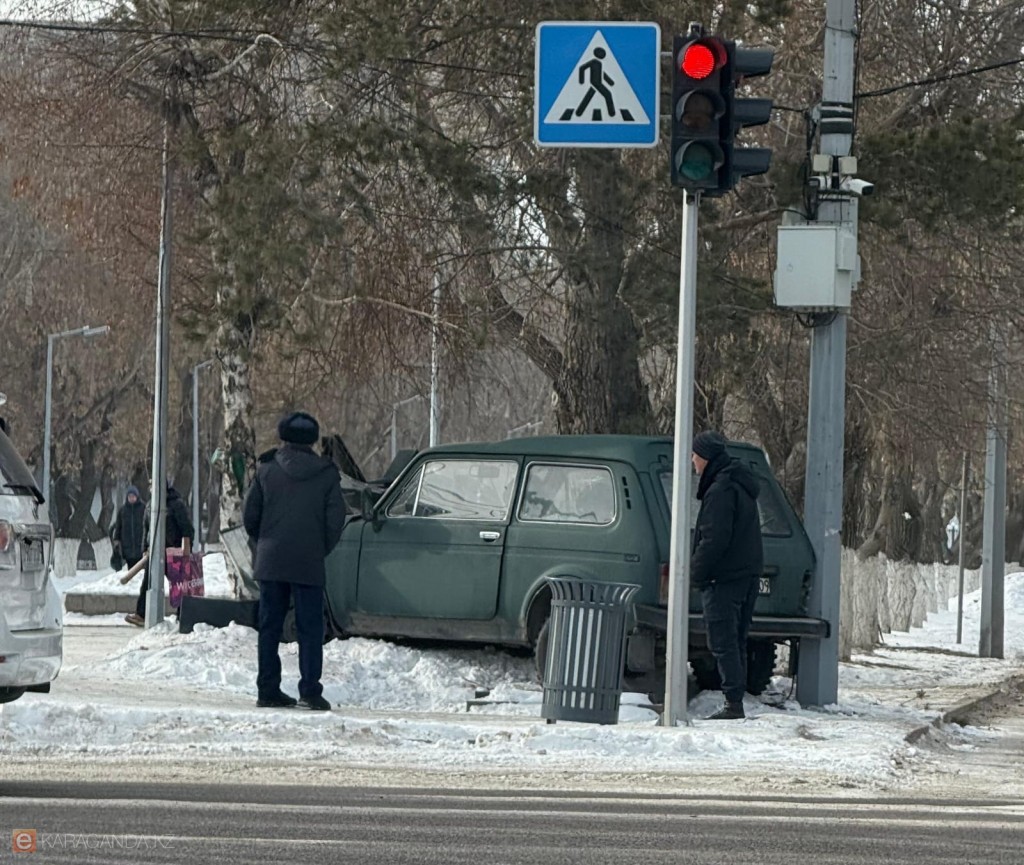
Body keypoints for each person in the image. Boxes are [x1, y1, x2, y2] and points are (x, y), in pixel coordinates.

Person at [243, 411, 346, 710]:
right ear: (313, 439)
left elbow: (250, 517)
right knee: (310, 629)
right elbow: (335, 521)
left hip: (271, 561)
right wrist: (318, 548)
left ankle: (268, 689)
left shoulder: (266, 470)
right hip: (308, 561)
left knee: (270, 626)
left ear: (283, 436)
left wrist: (265, 543)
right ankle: (310, 691)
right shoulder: (326, 474)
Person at [690, 430, 764, 720]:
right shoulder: (739, 485)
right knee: (736, 639)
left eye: (695, 456)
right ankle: (737, 699)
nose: (693, 462)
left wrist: (695, 573)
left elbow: (714, 539)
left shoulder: (721, 490)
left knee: (722, 642)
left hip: (723, 578)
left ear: (706, 458)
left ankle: (733, 703)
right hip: (746, 575)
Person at [125, 480, 195, 627]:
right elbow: (147, 529)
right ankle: (142, 614)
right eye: (151, 487)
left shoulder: (176, 504)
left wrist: (187, 548)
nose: (152, 489)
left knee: (179, 584)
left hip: (173, 551)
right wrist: (145, 548)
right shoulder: (150, 505)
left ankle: (184, 616)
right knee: (148, 582)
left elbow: (187, 528)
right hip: (155, 552)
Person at [112, 485, 145, 572]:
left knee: (141, 570)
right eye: (129, 496)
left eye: (133, 496)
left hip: (140, 545)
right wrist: (116, 540)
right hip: (127, 546)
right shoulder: (123, 510)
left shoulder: (143, 509)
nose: (131, 498)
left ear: (137, 496)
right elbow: (118, 526)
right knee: (130, 569)